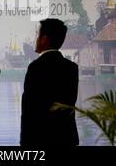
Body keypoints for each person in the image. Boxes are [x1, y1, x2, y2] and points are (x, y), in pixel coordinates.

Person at [21, 18, 79, 146]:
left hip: (40, 138)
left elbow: (28, 109)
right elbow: (69, 103)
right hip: (66, 137)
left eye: (38, 35)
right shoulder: (72, 68)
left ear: (45, 39)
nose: (35, 39)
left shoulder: (35, 67)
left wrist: (24, 142)